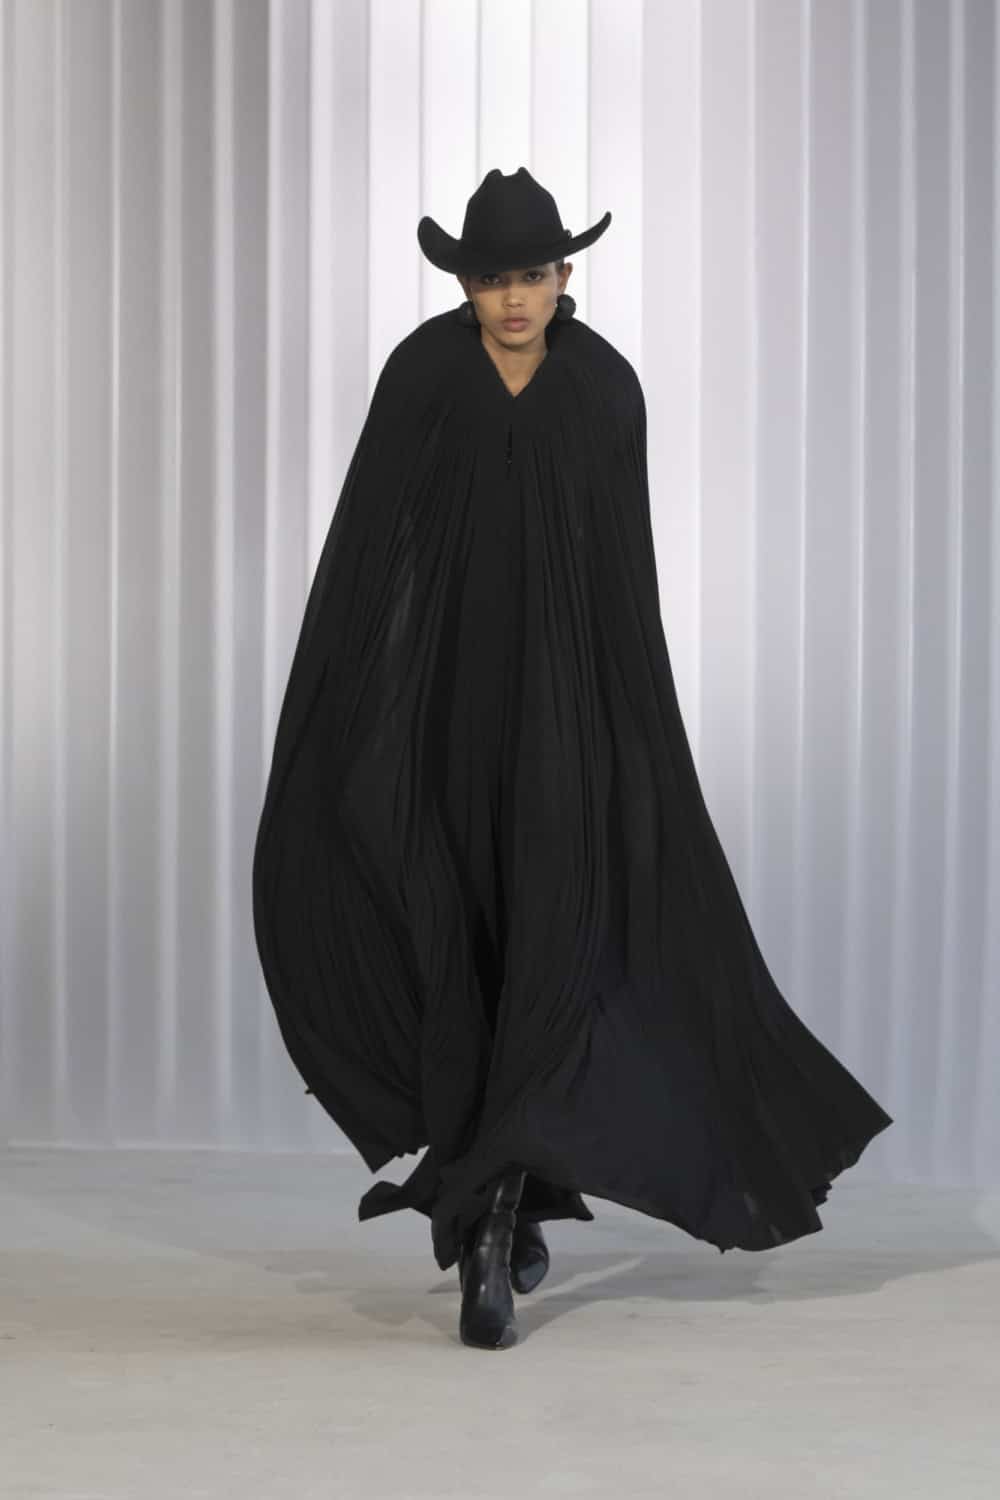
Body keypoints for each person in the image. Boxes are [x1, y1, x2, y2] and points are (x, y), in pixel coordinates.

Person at [252, 167, 893, 1353]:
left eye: (533, 275)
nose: (513, 298)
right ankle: (506, 1191)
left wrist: (629, 742)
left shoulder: (603, 388)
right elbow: (371, 558)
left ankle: (492, 1219)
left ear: (564, 276)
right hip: (445, 718)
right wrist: (357, 723)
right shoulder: (423, 375)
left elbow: (621, 587)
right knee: (461, 946)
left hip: (563, 723)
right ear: (464, 284)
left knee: (555, 943)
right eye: (492, 277)